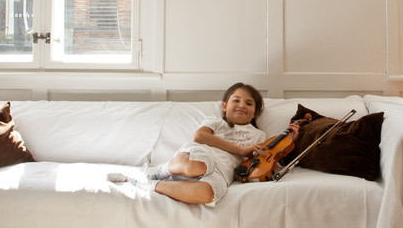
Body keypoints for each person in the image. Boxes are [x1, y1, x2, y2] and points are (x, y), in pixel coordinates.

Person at [109, 82, 298, 206]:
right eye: (236, 100)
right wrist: (240, 150)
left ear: (255, 113)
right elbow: (200, 137)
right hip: (201, 155)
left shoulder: (259, 135)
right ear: (224, 106)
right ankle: (162, 170)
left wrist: (290, 138)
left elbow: (266, 160)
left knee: (209, 194)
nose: (242, 105)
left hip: (223, 171)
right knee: (197, 165)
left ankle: (148, 185)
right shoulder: (216, 122)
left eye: (249, 104)